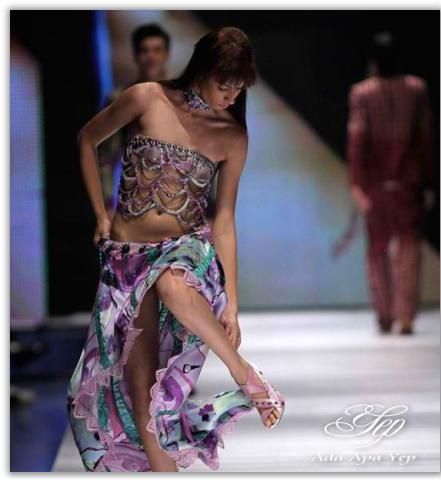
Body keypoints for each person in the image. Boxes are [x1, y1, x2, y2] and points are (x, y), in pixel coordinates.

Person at [67, 26, 286, 473]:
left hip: (185, 248)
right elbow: (87, 141)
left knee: (172, 284)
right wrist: (100, 216)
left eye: (238, 87)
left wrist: (233, 303)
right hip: (126, 259)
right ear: (202, 69)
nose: (231, 95)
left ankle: (244, 374)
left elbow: (224, 219)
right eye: (224, 83)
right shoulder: (146, 97)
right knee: (142, 391)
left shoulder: (232, 136)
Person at [346, 32, 435, 335]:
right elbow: (425, 139)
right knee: (409, 249)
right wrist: (429, 182)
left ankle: (385, 314)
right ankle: (405, 315)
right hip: (409, 181)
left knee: (378, 249)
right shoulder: (416, 90)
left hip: (374, 183)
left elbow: (357, 140)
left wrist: (356, 184)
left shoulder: (362, 93)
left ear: (372, 62)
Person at [98, 23, 172, 220]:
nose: (151, 57)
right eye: (145, 51)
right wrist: (107, 205)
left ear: (166, 54)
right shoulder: (120, 99)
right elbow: (106, 157)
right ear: (136, 55)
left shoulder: (183, 98)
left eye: (157, 50)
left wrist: (212, 207)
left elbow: (203, 151)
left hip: (181, 205)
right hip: (137, 205)